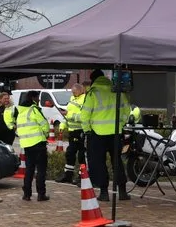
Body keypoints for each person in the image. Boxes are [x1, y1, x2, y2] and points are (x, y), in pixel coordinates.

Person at [81, 69, 131, 201]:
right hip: (115, 132)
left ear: (93, 80)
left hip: (97, 134)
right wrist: (121, 124)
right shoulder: (117, 90)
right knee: (117, 162)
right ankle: (122, 192)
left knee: (100, 163)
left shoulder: (93, 93)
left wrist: (87, 130)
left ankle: (104, 192)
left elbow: (84, 115)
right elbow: (127, 110)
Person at [15, 90, 49, 201]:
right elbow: (44, 124)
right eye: (37, 97)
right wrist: (46, 133)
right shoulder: (34, 110)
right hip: (38, 143)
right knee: (41, 170)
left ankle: (27, 194)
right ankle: (41, 194)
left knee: (29, 170)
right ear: (33, 98)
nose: (39, 100)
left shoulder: (21, 112)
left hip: (27, 145)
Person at [56, 83, 87, 185]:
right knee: (70, 153)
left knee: (82, 155)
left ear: (80, 90)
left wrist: (69, 115)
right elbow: (67, 115)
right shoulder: (72, 99)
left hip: (81, 131)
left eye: (74, 92)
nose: (73, 93)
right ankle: (68, 175)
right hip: (72, 131)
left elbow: (83, 116)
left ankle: (81, 177)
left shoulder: (85, 100)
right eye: (72, 92)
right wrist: (62, 126)